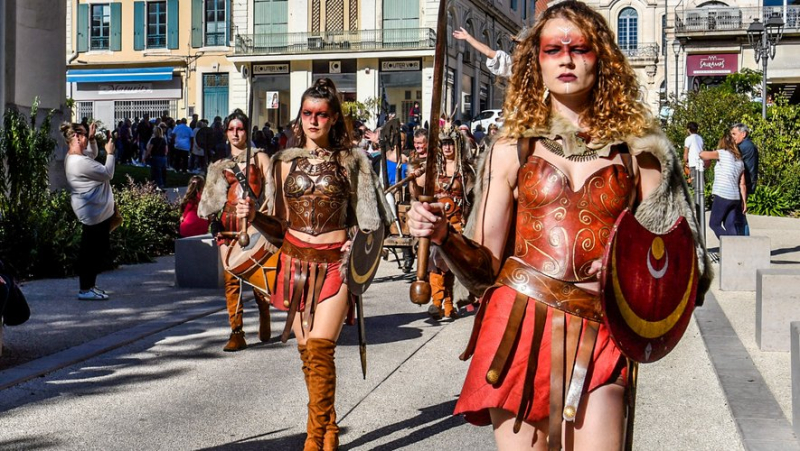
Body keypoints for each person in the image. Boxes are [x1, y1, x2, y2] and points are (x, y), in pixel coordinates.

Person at [408, 2, 711, 449]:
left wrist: (624, 271)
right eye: (553, 49)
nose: (566, 59)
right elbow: (484, 272)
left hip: (602, 333)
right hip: (515, 327)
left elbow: (685, 266)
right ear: (538, 61)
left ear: (601, 58)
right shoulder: (512, 149)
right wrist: (444, 236)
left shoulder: (641, 152)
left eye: (580, 48)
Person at [236, 78, 389, 450]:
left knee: (320, 347)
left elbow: (372, 222)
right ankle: (330, 427)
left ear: (334, 117)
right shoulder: (283, 164)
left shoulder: (354, 162)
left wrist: (358, 245)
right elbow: (279, 226)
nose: (313, 121)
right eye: (307, 114)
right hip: (294, 263)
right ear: (299, 117)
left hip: (335, 264)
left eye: (321, 114)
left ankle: (314, 437)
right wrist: (254, 215)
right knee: (308, 355)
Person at [198, 109, 273, 352]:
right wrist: (215, 228)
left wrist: (264, 219)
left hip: (253, 225)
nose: (235, 133)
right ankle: (236, 332)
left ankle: (264, 314)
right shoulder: (220, 164)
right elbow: (211, 202)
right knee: (231, 281)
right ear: (226, 132)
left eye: (240, 128)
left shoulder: (260, 157)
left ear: (247, 130)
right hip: (228, 228)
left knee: (257, 278)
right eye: (231, 129)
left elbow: (272, 192)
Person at [411, 123, 474, 320]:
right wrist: (413, 179)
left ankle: (448, 304)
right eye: (444, 144)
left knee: (450, 265)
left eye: (451, 144)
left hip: (457, 223)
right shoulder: (433, 169)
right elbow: (418, 193)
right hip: (436, 223)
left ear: (457, 145)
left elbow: (473, 198)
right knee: (435, 263)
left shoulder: (467, 171)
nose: (447, 148)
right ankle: (438, 303)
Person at [63, 121, 116, 301]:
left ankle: (89, 286)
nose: (87, 138)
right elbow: (107, 173)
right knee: (91, 252)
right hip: (94, 214)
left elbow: (91, 155)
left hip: (95, 212)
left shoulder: (76, 158)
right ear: (77, 137)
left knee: (95, 250)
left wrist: (92, 139)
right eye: (85, 135)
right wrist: (110, 153)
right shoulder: (79, 163)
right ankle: (85, 288)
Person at [701, 132, 747, 238]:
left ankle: (729, 247)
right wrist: (744, 202)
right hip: (735, 197)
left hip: (723, 194)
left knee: (714, 224)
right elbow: (742, 184)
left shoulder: (722, 153)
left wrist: (706, 160)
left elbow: (702, 154)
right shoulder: (740, 161)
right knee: (730, 225)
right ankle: (735, 250)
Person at [145, 125, 169, 189]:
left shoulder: (153, 140)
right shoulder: (163, 140)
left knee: (156, 172)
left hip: (155, 157)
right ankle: (161, 184)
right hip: (163, 158)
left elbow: (149, 149)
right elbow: (166, 150)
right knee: (162, 172)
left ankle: (158, 185)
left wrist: (145, 157)